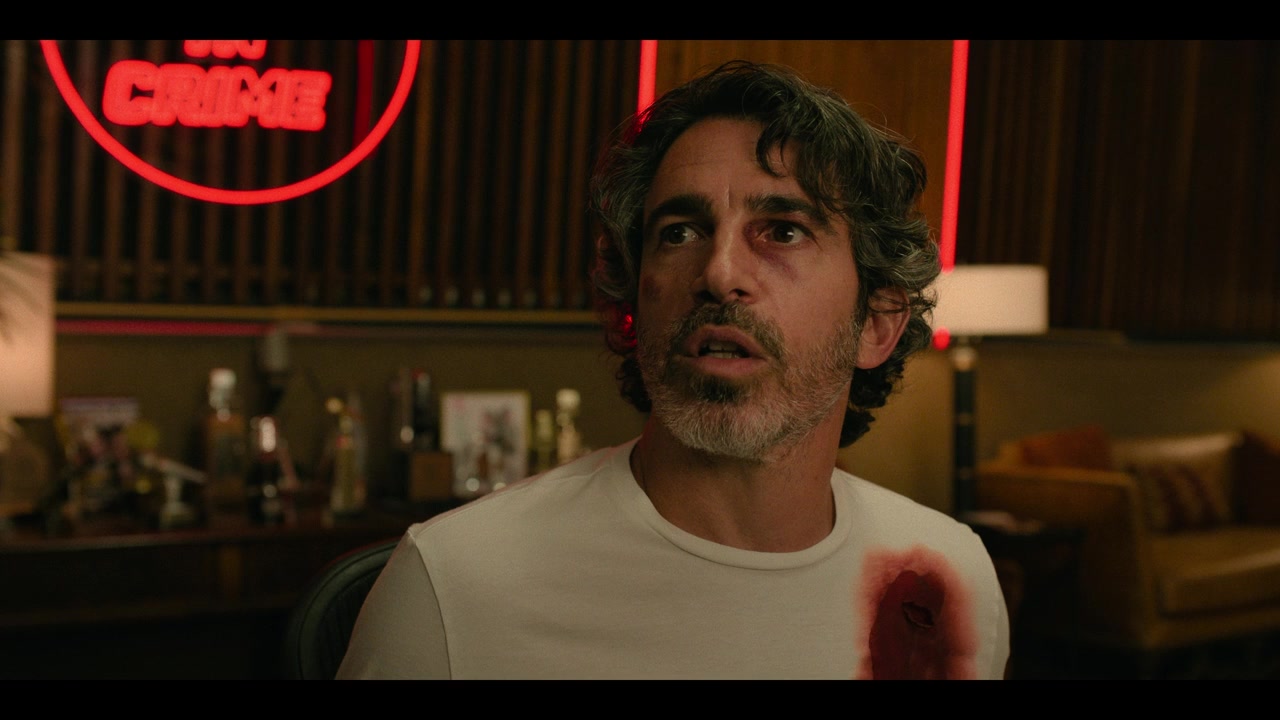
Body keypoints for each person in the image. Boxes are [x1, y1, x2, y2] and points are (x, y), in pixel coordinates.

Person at [337, 59, 1009, 680]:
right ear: (636, 295)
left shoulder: (947, 583)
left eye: (782, 230)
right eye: (679, 232)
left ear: (877, 324)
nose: (718, 272)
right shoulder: (456, 585)